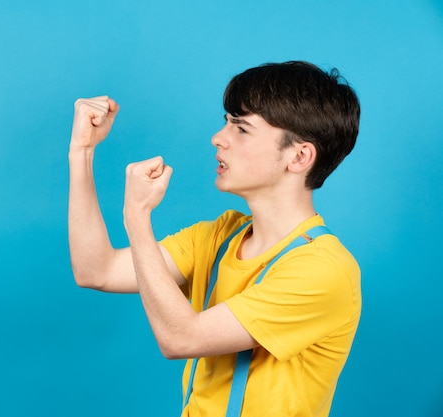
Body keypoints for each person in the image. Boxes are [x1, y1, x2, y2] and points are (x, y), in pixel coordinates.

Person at [68, 61, 361, 417]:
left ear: (299, 156)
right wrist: (81, 152)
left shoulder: (323, 271)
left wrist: (137, 218)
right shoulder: (221, 235)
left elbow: (181, 338)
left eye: (241, 129)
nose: (218, 138)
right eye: (226, 122)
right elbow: (95, 270)